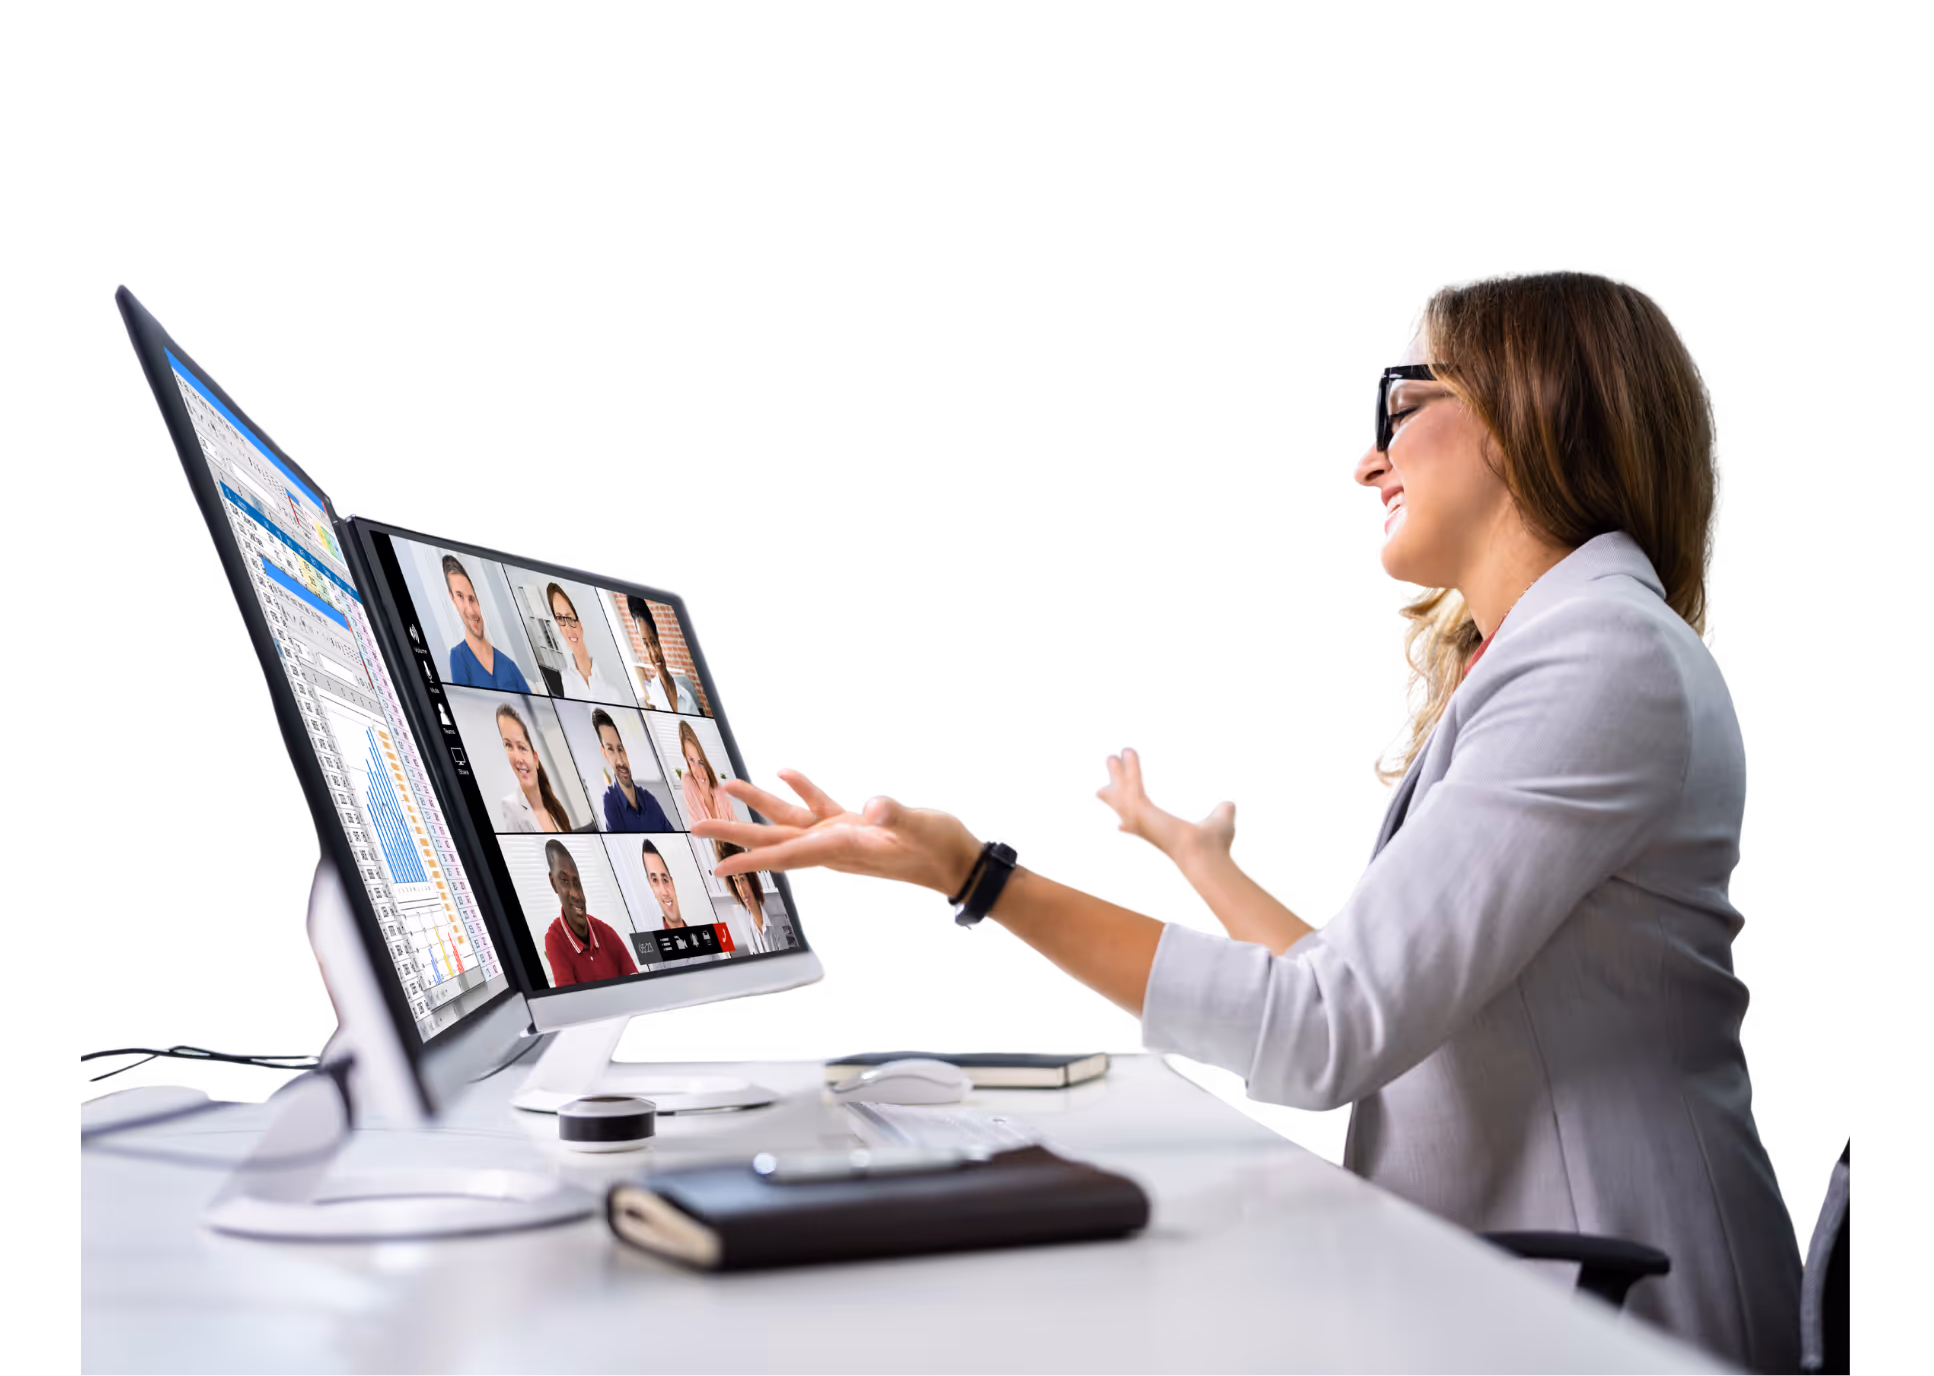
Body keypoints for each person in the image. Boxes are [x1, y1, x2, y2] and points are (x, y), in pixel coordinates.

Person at [689, 271, 1798, 1376]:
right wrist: (1195, 865)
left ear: (1525, 406)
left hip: (1606, 1308)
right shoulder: (1567, 652)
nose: (1367, 459)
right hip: (1540, 1278)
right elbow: (1375, 1002)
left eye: (1398, 405)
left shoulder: (1598, 660)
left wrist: (978, 877)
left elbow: (1326, 1033)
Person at [541, 840, 636, 986]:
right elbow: (571, 1002)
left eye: (577, 883)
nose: (576, 895)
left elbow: (636, 981)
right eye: (564, 881)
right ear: (554, 883)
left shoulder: (607, 932)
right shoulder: (555, 940)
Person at [442, 555, 532, 693]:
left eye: (472, 599)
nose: (471, 611)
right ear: (453, 600)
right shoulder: (458, 657)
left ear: (478, 602)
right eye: (460, 597)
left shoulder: (509, 665)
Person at [592, 708, 674, 832]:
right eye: (611, 750)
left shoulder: (649, 799)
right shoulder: (610, 802)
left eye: (620, 749)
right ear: (604, 754)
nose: (620, 760)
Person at [495, 704, 572, 834]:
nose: (518, 758)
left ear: (535, 758)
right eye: (508, 745)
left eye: (522, 747)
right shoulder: (511, 807)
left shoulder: (554, 806)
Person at [549, 581, 630, 704]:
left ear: (581, 622)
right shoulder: (565, 680)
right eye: (560, 618)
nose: (567, 627)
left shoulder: (612, 672)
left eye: (570, 617)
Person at [626, 593, 700, 713]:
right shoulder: (654, 695)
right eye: (646, 645)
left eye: (654, 643)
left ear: (658, 638)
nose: (654, 655)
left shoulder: (685, 684)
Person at [711, 840, 779, 953]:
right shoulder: (747, 924)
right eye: (736, 881)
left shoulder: (776, 916)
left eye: (742, 879)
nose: (741, 889)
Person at [677, 720, 739, 830]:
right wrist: (704, 793)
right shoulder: (687, 781)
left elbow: (737, 826)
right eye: (691, 760)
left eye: (700, 762)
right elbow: (699, 828)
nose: (698, 770)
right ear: (686, 759)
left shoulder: (717, 788)